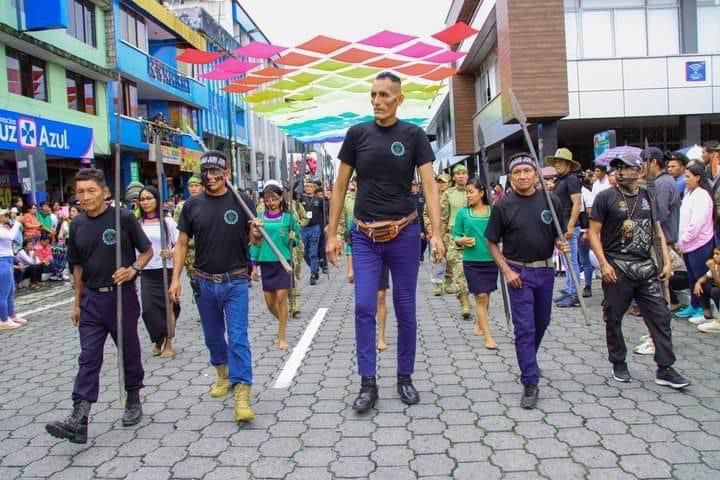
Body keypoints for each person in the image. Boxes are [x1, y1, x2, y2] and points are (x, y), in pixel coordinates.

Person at [327, 71, 444, 413]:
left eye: (384, 95)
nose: (377, 101)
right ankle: (368, 383)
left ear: (399, 99)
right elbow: (338, 186)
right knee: (364, 306)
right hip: (364, 237)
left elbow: (429, 186)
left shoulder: (414, 135)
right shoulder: (357, 134)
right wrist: (332, 233)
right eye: (373, 94)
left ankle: (405, 377)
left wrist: (435, 232)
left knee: (406, 309)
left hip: (405, 234)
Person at [45, 168, 153, 444]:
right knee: (88, 356)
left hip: (122, 296)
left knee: (128, 350)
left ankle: (133, 398)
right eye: (80, 192)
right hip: (91, 300)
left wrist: (133, 270)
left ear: (105, 192)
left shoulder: (124, 218)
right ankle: (79, 417)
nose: (85, 196)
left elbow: (147, 251)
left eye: (91, 190)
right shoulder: (78, 225)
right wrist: (76, 303)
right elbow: (77, 266)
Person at [170, 150, 262, 422]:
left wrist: (256, 232)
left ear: (227, 173)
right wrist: (175, 278)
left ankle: (243, 391)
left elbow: (254, 241)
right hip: (204, 282)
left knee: (237, 337)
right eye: (206, 172)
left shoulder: (243, 202)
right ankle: (223, 374)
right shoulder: (192, 206)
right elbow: (182, 243)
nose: (210, 177)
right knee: (212, 336)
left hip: (236, 281)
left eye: (215, 172)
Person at [588, 152, 690, 390]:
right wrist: (603, 263)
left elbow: (657, 230)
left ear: (639, 170)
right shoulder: (605, 198)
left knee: (661, 317)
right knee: (613, 317)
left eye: (626, 167)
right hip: (617, 266)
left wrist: (666, 261)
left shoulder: (648, 196)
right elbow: (593, 232)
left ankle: (665, 367)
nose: (621, 172)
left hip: (645, 266)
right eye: (617, 168)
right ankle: (618, 361)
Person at [485, 153, 569, 409]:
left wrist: (560, 243)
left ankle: (529, 358)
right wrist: (507, 272)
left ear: (536, 174)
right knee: (525, 328)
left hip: (545, 271)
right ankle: (530, 381)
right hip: (517, 274)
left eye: (527, 171)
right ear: (511, 177)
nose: (522, 176)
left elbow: (558, 234)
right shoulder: (503, 206)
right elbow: (491, 242)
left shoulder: (551, 200)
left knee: (542, 321)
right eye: (517, 172)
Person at [338, 177, 391, 351]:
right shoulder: (348, 200)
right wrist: (350, 268)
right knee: (364, 301)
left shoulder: (381, 196)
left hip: (382, 246)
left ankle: (381, 336)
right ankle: (366, 336)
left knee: (381, 297)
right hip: (360, 249)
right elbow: (348, 237)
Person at [250, 180, 300, 351]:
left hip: (283, 263)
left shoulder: (288, 218)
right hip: (266, 262)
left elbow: (297, 239)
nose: (270, 202)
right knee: (270, 303)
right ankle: (282, 321)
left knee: (281, 299)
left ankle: (282, 335)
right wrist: (254, 265)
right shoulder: (259, 219)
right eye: (267, 199)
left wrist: (293, 238)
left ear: (281, 199)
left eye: (274, 199)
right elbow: (255, 243)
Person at [453, 178, 497, 349]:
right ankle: (488, 337)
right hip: (471, 261)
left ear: (482, 193)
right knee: (481, 296)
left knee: (487, 295)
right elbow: (456, 235)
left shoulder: (493, 211)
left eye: (471, 191)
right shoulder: (463, 214)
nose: (468, 195)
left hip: (491, 259)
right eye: (466, 192)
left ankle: (480, 323)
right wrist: (461, 240)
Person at [138, 186, 180, 358]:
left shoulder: (167, 221)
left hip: (166, 270)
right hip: (147, 271)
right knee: (148, 310)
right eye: (142, 199)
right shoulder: (138, 223)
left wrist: (171, 252)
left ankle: (169, 343)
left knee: (168, 307)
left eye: (149, 198)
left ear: (157, 200)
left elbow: (180, 243)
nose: (146, 202)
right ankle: (158, 339)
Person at [674, 161, 715, 321]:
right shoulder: (689, 193)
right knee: (692, 277)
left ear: (698, 177)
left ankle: (705, 310)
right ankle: (694, 305)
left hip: (700, 244)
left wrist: (683, 240)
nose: (685, 179)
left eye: (688, 176)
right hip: (688, 245)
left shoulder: (702, 195)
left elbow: (696, 223)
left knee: (701, 278)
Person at [546, 148, 582, 308]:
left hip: (568, 226)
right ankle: (569, 289)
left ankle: (574, 293)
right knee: (566, 260)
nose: (557, 165)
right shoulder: (562, 179)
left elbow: (577, 203)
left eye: (560, 162)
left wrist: (570, 226)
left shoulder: (572, 179)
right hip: (562, 224)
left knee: (571, 260)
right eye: (556, 162)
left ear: (568, 164)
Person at [441, 163, 472, 319]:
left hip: (473, 236)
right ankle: (465, 302)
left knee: (473, 271)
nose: (461, 176)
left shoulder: (474, 191)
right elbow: (443, 217)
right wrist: (439, 239)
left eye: (463, 173)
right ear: (453, 177)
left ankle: (480, 298)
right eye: (458, 173)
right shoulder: (448, 194)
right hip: (454, 237)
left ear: (468, 175)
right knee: (459, 271)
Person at [424, 173, 453, 296]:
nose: (440, 184)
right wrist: (430, 230)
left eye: (443, 182)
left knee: (450, 259)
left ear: (450, 183)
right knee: (437, 258)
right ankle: (437, 285)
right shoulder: (433, 197)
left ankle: (448, 283)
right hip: (437, 233)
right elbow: (426, 214)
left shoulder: (452, 196)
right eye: (439, 182)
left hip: (449, 232)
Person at [0, 208, 26, 330]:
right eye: (5, 215)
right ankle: (4, 319)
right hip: (2, 261)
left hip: (8, 260)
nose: (7, 217)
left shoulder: (4, 228)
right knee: (3, 293)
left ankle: (11, 315)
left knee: (10, 290)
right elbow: (11, 236)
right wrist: (16, 222)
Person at [300, 179, 324, 285]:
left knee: (313, 253)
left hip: (315, 228)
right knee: (305, 253)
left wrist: (325, 227)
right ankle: (314, 267)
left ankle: (313, 275)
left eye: (310, 186)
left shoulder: (319, 200)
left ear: (314, 188)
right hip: (304, 229)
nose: (308, 188)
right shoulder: (301, 199)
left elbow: (324, 214)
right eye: (307, 186)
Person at [693, 246, 720, 333]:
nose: (714, 256)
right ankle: (707, 315)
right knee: (702, 286)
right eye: (714, 254)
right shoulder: (716, 265)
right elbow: (705, 277)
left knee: (715, 291)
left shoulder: (714, 266)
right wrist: (698, 283)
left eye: (717, 254)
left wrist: (712, 269)